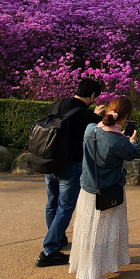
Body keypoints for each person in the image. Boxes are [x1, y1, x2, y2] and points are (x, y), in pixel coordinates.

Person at [70, 95, 140, 279]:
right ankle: (89, 276)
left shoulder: (90, 129)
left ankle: (87, 271)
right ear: (126, 118)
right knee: (102, 233)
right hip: (109, 191)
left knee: (87, 230)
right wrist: (133, 141)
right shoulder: (120, 141)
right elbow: (132, 153)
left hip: (87, 189)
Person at [38, 78, 105, 268]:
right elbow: (96, 132)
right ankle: (49, 250)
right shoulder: (85, 115)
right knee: (65, 207)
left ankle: (57, 239)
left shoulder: (56, 105)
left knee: (52, 203)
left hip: (49, 163)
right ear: (92, 96)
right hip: (70, 166)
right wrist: (96, 115)